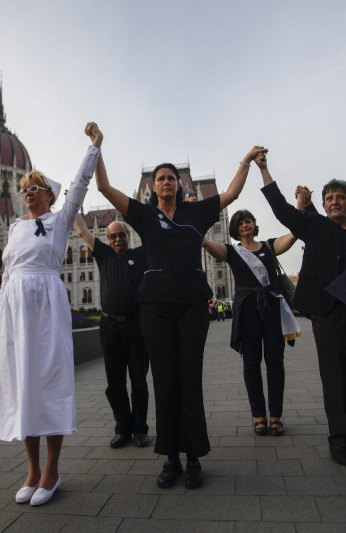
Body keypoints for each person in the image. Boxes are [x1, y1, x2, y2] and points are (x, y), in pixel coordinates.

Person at [93, 143, 268, 489]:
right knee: (164, 379)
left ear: (179, 185)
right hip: (154, 308)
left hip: (191, 305)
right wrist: (96, 149)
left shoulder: (196, 213)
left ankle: (193, 456)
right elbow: (103, 188)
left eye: (171, 178)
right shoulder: (143, 215)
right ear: (153, 187)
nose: (166, 182)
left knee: (190, 378)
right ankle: (170, 455)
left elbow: (232, 193)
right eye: (160, 178)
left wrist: (246, 161)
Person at [257, 151, 346, 467]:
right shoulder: (315, 226)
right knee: (334, 382)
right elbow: (281, 210)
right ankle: (339, 441)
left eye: (341, 197)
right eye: (329, 198)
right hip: (330, 314)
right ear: (323, 205)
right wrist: (265, 171)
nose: (335, 201)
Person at [0, 122, 103, 506]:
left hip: (46, 304)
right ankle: (32, 471)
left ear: (49, 195)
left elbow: (81, 182)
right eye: (23, 190)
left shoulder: (58, 221)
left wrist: (95, 147)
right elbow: (7, 274)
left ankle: (52, 472)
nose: (26, 194)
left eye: (33, 190)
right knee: (21, 385)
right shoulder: (14, 227)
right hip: (14, 310)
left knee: (49, 383)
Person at [202, 208, 298, 437]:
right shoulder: (231, 252)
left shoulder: (269, 247)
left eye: (249, 221)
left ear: (255, 224)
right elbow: (204, 243)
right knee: (251, 364)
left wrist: (299, 207)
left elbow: (293, 235)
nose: (245, 225)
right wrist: (198, 214)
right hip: (247, 311)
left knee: (275, 361)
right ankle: (259, 416)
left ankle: (276, 415)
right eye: (241, 222)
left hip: (272, 309)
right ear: (234, 228)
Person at [73, 214, 151, 448]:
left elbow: (156, 235)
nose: (118, 239)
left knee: (138, 380)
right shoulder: (104, 255)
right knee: (114, 382)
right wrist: (74, 203)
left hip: (136, 325)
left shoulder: (140, 255)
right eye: (113, 236)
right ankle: (122, 429)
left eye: (122, 235)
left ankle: (140, 430)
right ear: (107, 240)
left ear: (129, 236)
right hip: (109, 327)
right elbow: (83, 232)